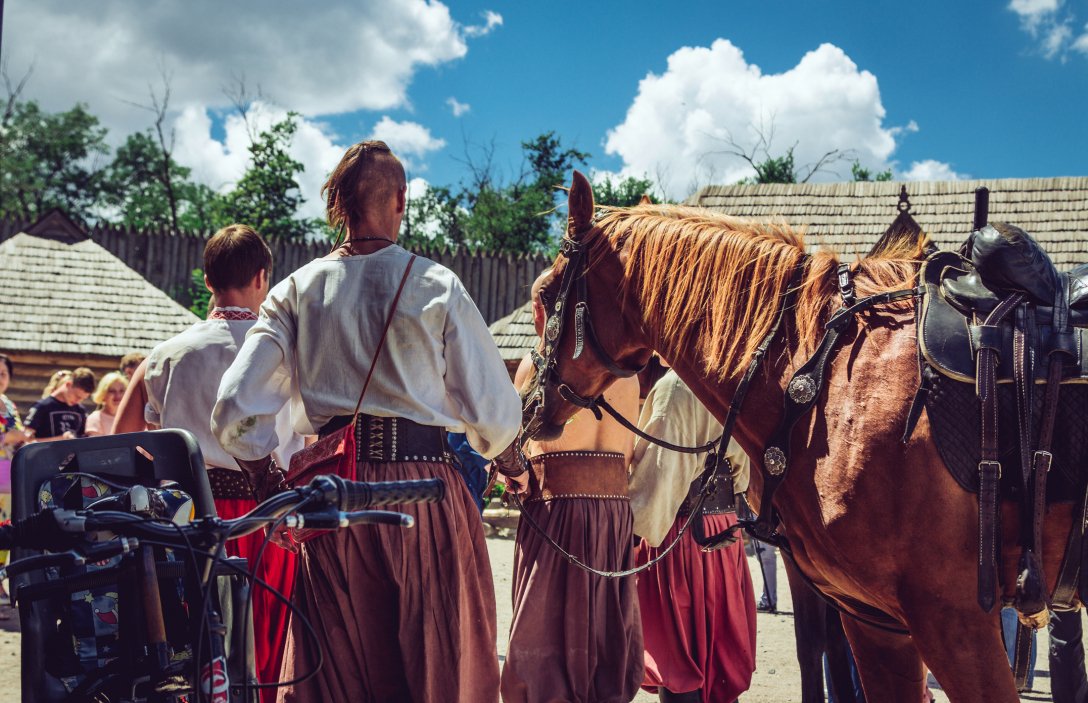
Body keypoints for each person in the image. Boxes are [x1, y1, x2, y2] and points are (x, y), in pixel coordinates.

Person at [212, 140, 522, 703]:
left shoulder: (295, 290)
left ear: (340, 204)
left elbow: (234, 405)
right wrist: (509, 456)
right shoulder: (436, 283)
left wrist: (270, 487)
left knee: (339, 673)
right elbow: (496, 414)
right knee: (438, 663)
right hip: (425, 495)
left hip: (333, 499)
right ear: (400, 200)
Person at [115, 224, 303, 700]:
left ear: (206, 281)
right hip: (267, 522)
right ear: (263, 277)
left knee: (192, 647)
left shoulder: (164, 355)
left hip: (187, 520)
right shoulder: (288, 355)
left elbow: (118, 441)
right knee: (264, 649)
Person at [501, 272, 644, 703]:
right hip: (613, 513)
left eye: (534, 308)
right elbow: (631, 449)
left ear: (545, 311)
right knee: (603, 625)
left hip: (555, 509)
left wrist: (512, 474)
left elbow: (509, 443)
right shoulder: (627, 374)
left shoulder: (536, 363)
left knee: (543, 626)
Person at [630, 367, 757, 703]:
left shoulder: (675, 387)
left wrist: (632, 530)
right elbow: (742, 474)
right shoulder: (730, 377)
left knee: (679, 661)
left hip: (681, 532)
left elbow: (659, 473)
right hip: (722, 527)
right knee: (716, 655)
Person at [0, 353, 33, 609]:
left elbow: (16, 435)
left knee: (5, 527)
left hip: (7, 476)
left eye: (3, 374)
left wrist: (22, 438)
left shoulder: (8, 405)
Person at [23, 367, 95, 441]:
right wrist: (60, 439)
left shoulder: (80, 410)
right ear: (68, 384)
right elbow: (27, 440)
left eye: (83, 399)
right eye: (77, 396)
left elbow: (84, 438)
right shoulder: (42, 407)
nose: (78, 401)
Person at [84, 371, 127, 436]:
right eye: (112, 391)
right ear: (103, 395)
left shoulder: (132, 417)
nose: (117, 395)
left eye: (121, 391)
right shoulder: (95, 418)